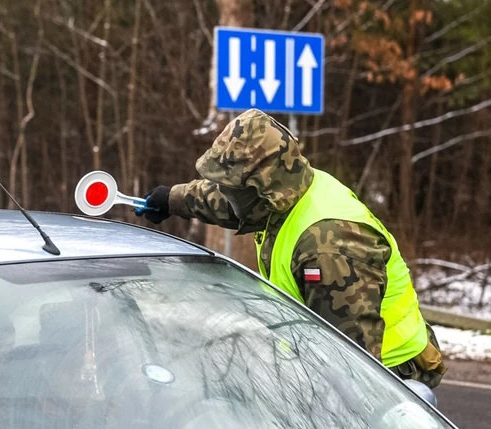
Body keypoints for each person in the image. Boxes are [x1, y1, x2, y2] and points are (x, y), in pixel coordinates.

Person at [135, 108, 446, 388]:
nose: (226, 194)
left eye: (234, 187)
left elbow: (350, 370)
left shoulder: (329, 247)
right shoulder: (287, 191)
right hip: (331, 362)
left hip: (392, 377)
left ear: (263, 187)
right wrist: (172, 198)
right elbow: (230, 202)